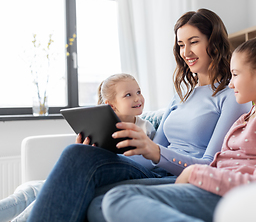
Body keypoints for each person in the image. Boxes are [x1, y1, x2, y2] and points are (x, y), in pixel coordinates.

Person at [27, 8, 251, 222]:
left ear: (214, 42)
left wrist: (154, 150)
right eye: (181, 45)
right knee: (79, 152)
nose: (186, 52)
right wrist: (105, 152)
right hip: (154, 172)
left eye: (194, 42)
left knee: (97, 205)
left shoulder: (231, 96)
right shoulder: (181, 96)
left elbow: (209, 165)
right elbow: (152, 158)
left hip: (182, 177)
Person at [96, 31, 256, 222]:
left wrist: (196, 173)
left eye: (235, 75)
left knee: (118, 198)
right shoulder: (249, 116)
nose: (230, 83)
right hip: (208, 185)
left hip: (226, 195)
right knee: (101, 202)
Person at [0, 73, 154, 222]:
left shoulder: (145, 128)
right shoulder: (101, 126)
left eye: (139, 92)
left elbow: (148, 160)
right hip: (93, 171)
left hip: (116, 174)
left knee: (45, 192)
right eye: (128, 95)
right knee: (32, 191)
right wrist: (85, 150)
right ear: (111, 105)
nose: (137, 98)